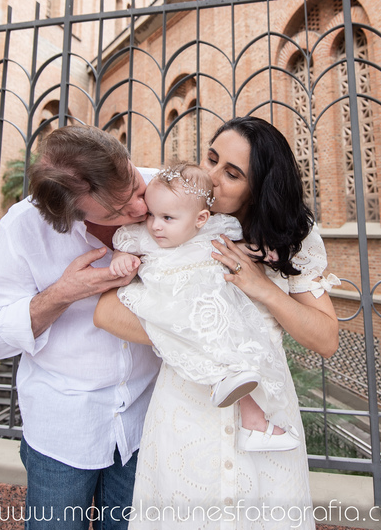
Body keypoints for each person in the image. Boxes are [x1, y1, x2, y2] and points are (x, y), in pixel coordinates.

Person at [96, 116, 340, 530]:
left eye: (231, 173)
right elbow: (108, 312)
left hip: (266, 413)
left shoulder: (290, 237)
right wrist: (202, 339)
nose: (211, 176)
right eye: (211, 158)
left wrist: (262, 288)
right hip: (185, 411)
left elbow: (326, 339)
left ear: (258, 186)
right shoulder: (168, 217)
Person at [0, 126, 160, 530]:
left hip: (148, 424)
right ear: (71, 213)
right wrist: (61, 294)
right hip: (63, 431)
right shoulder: (23, 227)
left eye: (137, 187)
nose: (141, 211)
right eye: (117, 212)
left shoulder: (165, 190)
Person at [109, 163, 297, 452]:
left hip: (211, 305)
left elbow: (237, 247)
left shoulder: (213, 229)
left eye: (168, 217)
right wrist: (120, 258)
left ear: (201, 218)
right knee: (205, 343)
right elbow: (124, 244)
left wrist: (257, 252)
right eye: (152, 214)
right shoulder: (143, 236)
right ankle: (231, 394)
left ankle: (254, 423)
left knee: (241, 349)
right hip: (168, 302)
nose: (155, 225)